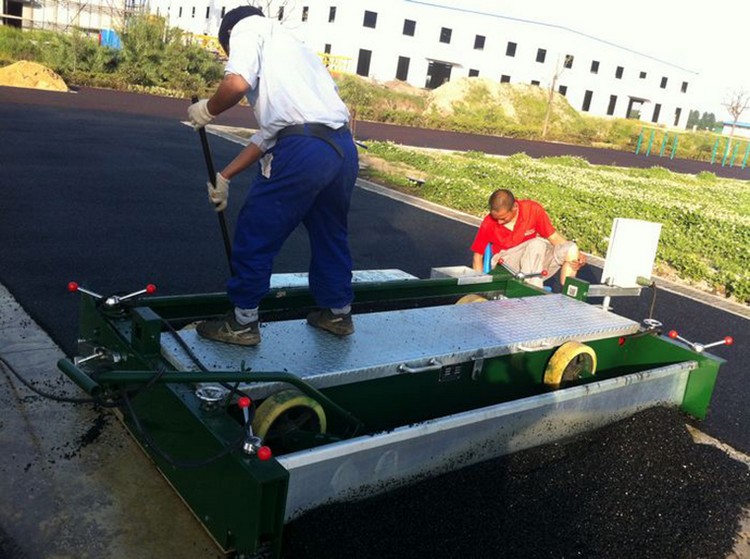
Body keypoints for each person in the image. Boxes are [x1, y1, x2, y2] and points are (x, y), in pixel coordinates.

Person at [187, 6, 359, 346]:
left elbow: (237, 83)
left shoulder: (246, 30)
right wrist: (225, 175)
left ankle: (242, 322)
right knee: (330, 232)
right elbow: (271, 133)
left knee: (258, 227)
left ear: (228, 36)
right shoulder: (295, 50)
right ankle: (338, 313)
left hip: (304, 150)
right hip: (341, 148)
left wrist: (209, 109)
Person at [470, 189, 585, 288]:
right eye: (496, 218)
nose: (499, 222)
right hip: (505, 265)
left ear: (514, 207)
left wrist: (577, 256)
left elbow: (553, 237)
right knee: (537, 243)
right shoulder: (488, 222)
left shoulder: (533, 209)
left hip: (532, 262)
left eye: (503, 218)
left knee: (571, 248)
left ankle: (568, 295)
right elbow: (477, 256)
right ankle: (530, 293)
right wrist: (480, 286)